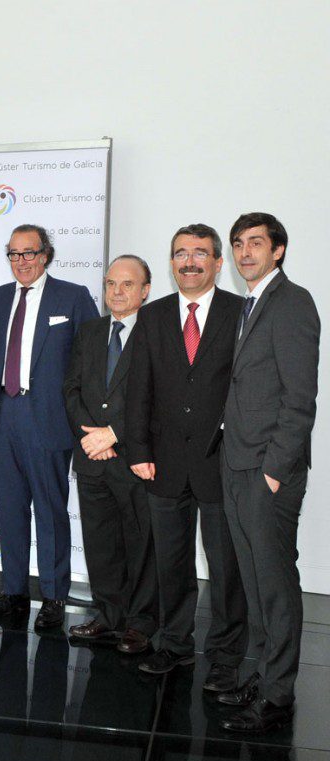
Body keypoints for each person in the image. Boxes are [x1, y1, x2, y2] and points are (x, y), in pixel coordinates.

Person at [125, 223, 247, 691]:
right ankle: (174, 644)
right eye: (180, 253)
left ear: (217, 262)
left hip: (222, 463)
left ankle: (225, 657)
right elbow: (139, 388)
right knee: (171, 563)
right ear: (172, 262)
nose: (189, 261)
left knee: (226, 568)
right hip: (164, 462)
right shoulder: (152, 316)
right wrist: (138, 449)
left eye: (199, 253)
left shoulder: (240, 312)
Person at [217, 213, 319, 733]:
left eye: (255, 243)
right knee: (254, 583)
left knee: (276, 585)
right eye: (238, 244)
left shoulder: (293, 302)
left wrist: (274, 473)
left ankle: (277, 696)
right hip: (235, 462)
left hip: (267, 471)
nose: (244, 253)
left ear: (278, 250)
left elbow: (300, 400)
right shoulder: (248, 304)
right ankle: (257, 676)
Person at [0, 224, 99, 630]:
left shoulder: (73, 296)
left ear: (45, 254)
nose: (22, 261)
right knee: (10, 511)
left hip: (48, 419)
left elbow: (91, 361)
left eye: (29, 253)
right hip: (4, 417)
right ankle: (13, 592)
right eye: (14, 254)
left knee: (50, 512)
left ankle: (53, 597)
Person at [63, 255, 158, 653]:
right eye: (110, 283)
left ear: (145, 290)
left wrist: (113, 435)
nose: (117, 292)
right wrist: (91, 436)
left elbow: (157, 396)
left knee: (140, 543)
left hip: (134, 458)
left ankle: (140, 622)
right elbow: (72, 389)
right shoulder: (89, 331)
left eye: (127, 284)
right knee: (100, 543)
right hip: (92, 458)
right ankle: (108, 615)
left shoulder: (157, 332)